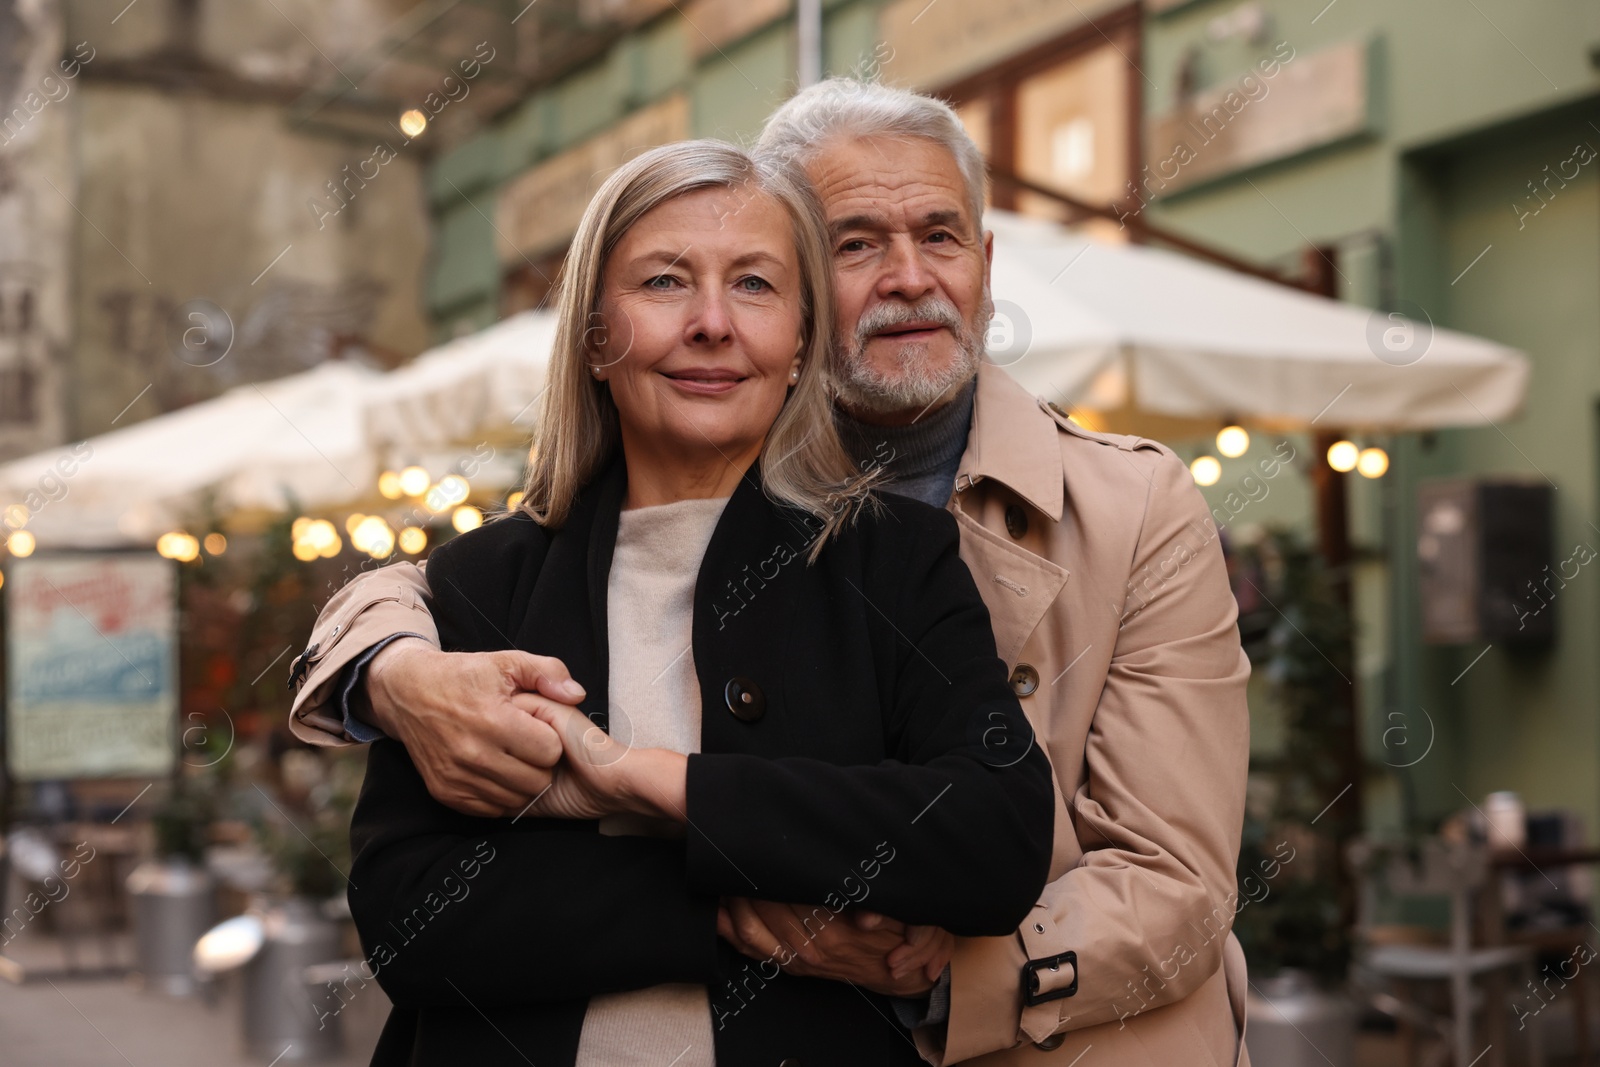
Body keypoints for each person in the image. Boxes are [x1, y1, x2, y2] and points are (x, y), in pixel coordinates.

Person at [292, 79, 1252, 1066]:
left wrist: (925, 971)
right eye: (855, 243)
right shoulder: (516, 559)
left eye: (940, 235)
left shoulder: (1112, 510)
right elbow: (414, 900)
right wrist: (391, 670)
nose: (908, 276)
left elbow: (1161, 873)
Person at [343, 138, 1055, 1067]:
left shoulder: (893, 559)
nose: (713, 323)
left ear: (802, 340)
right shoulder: (479, 581)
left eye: (755, 285)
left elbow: (992, 835)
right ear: (597, 336)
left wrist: (646, 780)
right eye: (667, 282)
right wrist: (728, 904)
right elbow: (409, 916)